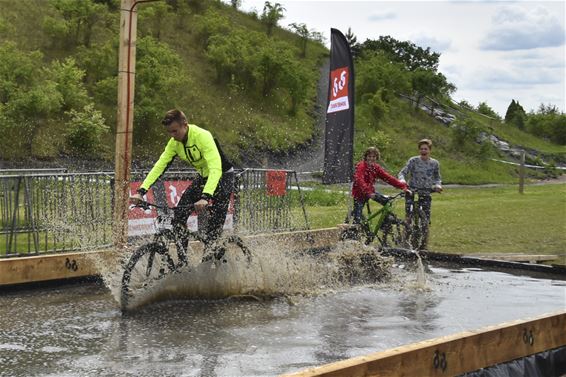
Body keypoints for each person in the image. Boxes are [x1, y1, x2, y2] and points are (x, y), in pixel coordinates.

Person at [129, 109, 234, 256]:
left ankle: (211, 254)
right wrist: (141, 191)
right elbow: (159, 166)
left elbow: (215, 168)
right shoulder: (174, 143)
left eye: (175, 131)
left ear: (185, 125)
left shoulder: (203, 136)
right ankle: (182, 262)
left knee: (213, 229)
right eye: (169, 132)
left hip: (223, 176)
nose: (172, 136)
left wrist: (205, 197)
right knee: (178, 218)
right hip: (204, 177)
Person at [398, 138, 442, 249]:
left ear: (429, 150)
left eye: (426, 149)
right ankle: (405, 241)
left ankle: (424, 245)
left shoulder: (434, 163)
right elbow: (403, 172)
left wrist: (438, 185)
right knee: (409, 216)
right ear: (419, 150)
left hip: (426, 191)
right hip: (412, 190)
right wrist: (402, 181)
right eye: (421, 149)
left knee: (425, 220)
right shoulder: (413, 161)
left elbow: (437, 178)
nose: (423, 151)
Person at [351, 147, 410, 224]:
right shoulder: (361, 166)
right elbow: (359, 181)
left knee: (387, 202)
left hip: (371, 192)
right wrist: (368, 192)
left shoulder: (376, 167)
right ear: (365, 157)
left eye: (374, 157)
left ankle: (384, 223)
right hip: (359, 195)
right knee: (357, 220)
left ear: (376, 158)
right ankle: (353, 233)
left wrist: (403, 186)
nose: (371, 159)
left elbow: (388, 178)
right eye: (369, 156)